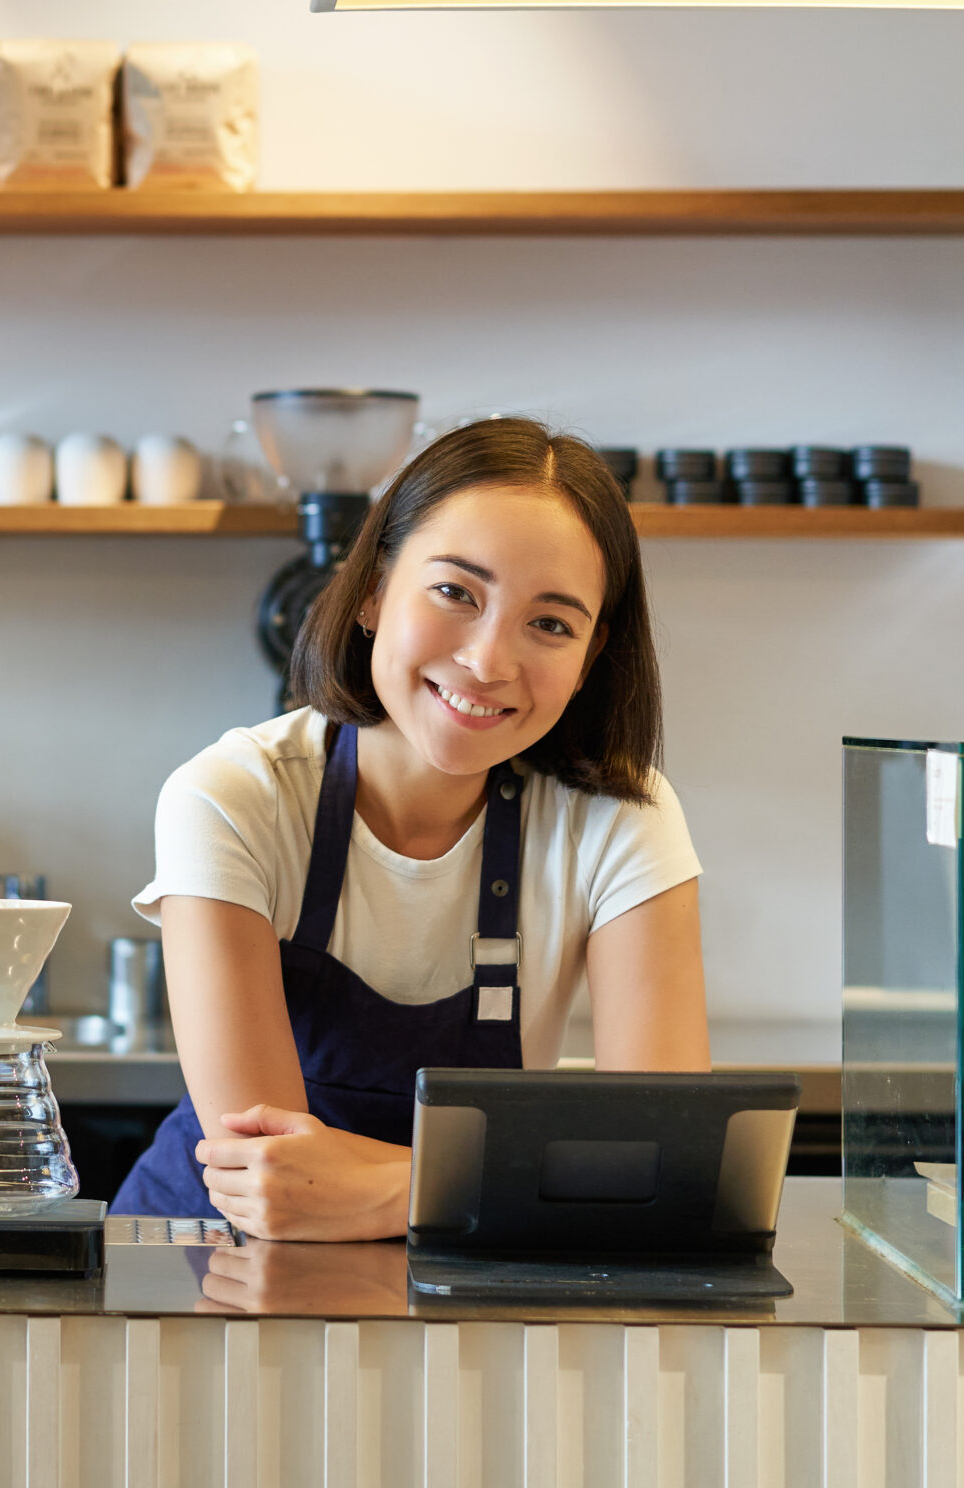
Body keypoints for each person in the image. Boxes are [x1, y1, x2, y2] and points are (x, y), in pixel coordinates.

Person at [111, 417, 708, 1239]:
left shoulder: (620, 818)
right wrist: (533, 1181)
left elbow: (667, 1164)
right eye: (456, 592)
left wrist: (400, 1186)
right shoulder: (232, 797)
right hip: (202, 1282)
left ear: (590, 656)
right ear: (371, 588)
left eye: (551, 622)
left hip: (467, 1295)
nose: (489, 661)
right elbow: (273, 1182)